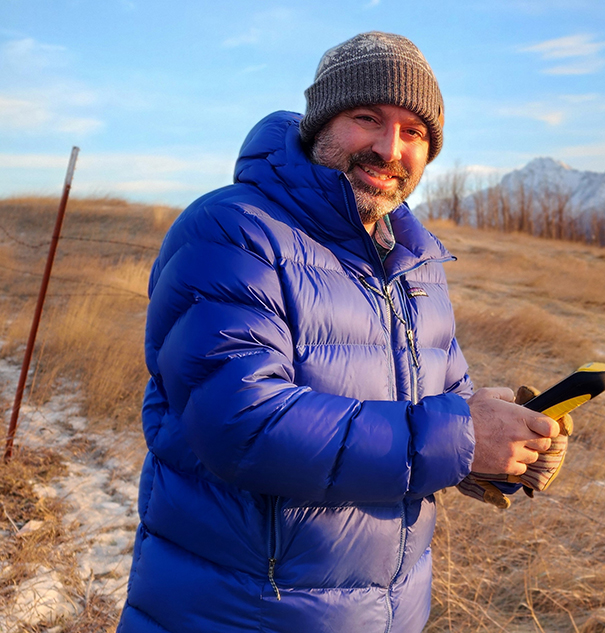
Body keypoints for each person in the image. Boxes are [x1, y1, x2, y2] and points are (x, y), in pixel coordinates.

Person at [117, 32, 558, 632]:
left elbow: (445, 411)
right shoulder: (234, 231)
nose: (389, 147)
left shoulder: (413, 259)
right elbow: (242, 424)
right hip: (239, 613)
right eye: (367, 118)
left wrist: (510, 444)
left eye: (414, 133)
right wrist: (461, 437)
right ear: (321, 122)